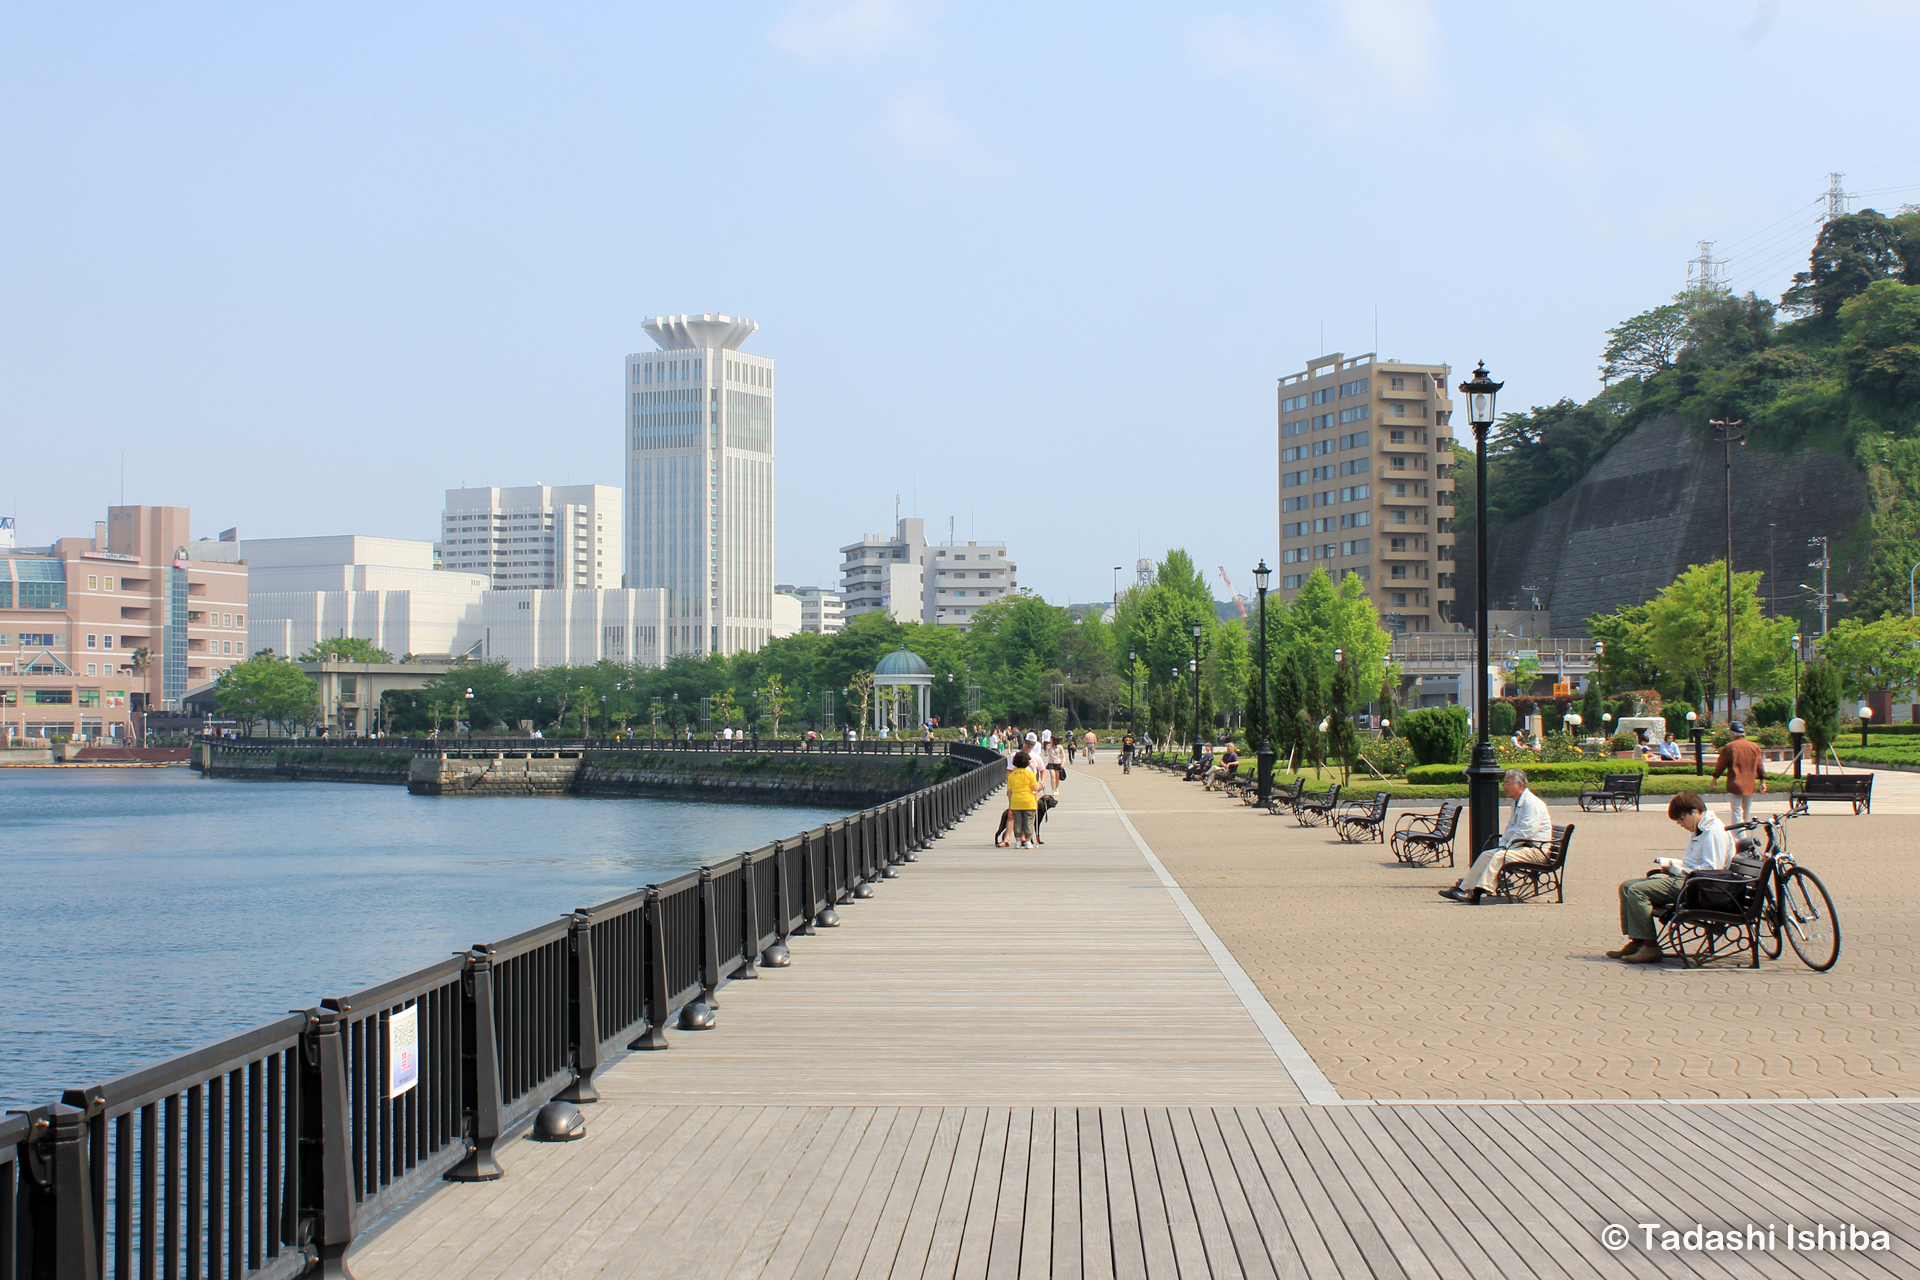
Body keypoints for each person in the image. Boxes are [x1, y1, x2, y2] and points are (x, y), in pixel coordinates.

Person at [1609, 791, 1734, 963]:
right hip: (1688, 880)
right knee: (1626, 886)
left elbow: (1713, 869)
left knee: (1637, 891)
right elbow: (1693, 863)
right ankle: (1637, 940)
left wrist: (1677, 870)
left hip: (1699, 886)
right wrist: (1674, 865)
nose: (1681, 824)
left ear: (1694, 811)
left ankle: (1650, 946)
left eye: (1681, 819)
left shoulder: (1713, 831)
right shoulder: (1700, 829)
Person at [1439, 769, 1553, 904]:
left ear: (1520, 785)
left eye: (1508, 783)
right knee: (1486, 855)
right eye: (1504, 783)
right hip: (1521, 847)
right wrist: (1502, 845)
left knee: (1500, 856)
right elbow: (1511, 829)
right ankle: (1463, 888)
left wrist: (1506, 849)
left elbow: (1526, 831)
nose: (1504, 786)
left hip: (1536, 851)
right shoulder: (1518, 803)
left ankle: (1477, 893)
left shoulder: (1532, 804)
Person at [1711, 722, 1766, 825]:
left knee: (1737, 812)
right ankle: (1745, 833)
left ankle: (1739, 836)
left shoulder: (1730, 747)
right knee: (1746, 812)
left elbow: (1721, 764)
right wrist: (1762, 781)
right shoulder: (1754, 747)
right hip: (1750, 784)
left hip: (1735, 784)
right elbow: (1760, 766)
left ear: (1732, 734)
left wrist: (1715, 778)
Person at [1006, 750, 1041, 848]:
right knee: (1029, 821)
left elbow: (1009, 791)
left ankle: (1017, 841)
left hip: (1016, 801)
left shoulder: (1012, 775)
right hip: (1028, 802)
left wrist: (1010, 803)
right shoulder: (1030, 774)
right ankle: (1028, 841)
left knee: (1018, 822)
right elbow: (1034, 788)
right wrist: (1039, 785)